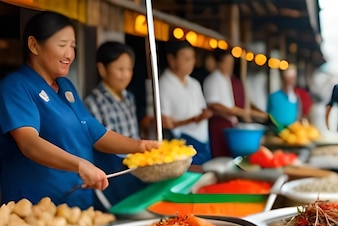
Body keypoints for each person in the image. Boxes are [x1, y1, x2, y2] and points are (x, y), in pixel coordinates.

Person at [0, 11, 159, 210]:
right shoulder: (16, 86)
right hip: (36, 207)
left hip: (77, 203)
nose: (69, 54)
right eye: (62, 45)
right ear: (34, 45)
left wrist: (142, 146)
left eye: (73, 46)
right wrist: (80, 165)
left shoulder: (66, 87)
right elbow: (29, 143)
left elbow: (96, 133)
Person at [83, 41, 146, 207]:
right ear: (102, 69)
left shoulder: (129, 98)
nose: (125, 75)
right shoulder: (92, 102)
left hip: (136, 168)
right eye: (120, 69)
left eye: (129, 69)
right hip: (113, 172)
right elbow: (100, 142)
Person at [158, 39, 213, 166]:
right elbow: (166, 122)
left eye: (192, 58)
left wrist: (205, 114)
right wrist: (192, 120)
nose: (191, 63)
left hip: (203, 139)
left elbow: (202, 109)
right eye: (186, 59)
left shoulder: (194, 83)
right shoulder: (164, 84)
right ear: (172, 60)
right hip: (182, 141)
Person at [203, 49, 267, 157]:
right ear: (219, 63)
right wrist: (238, 112)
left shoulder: (229, 80)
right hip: (219, 124)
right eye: (226, 63)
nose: (229, 66)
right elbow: (214, 104)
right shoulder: (213, 80)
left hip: (231, 123)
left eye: (231, 63)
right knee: (220, 155)